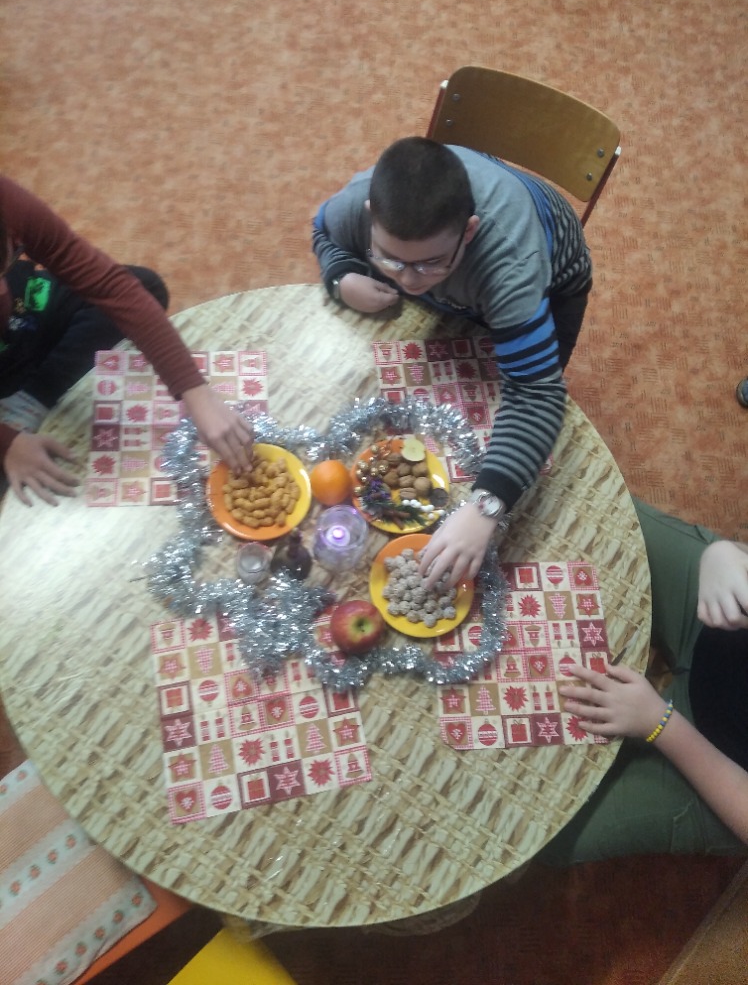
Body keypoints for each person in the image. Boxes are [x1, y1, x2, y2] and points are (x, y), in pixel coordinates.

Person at [312, 137, 592, 588]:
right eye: (390, 258)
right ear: (369, 215)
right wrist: (341, 275)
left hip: (552, 278)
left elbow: (537, 393)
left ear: (470, 231)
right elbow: (323, 231)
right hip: (470, 282)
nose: (407, 280)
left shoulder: (511, 267)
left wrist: (487, 506)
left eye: (429, 263)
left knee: (526, 386)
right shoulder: (358, 205)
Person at [0, 175, 253, 506]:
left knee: (142, 288)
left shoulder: (6, 200)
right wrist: (8, 442)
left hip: (22, 325)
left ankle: (31, 398)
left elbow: (108, 285)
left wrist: (195, 390)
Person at [540, 499, 748, 864]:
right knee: (592, 511)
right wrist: (725, 555)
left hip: (723, 759)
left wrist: (659, 723)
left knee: (551, 838)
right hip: (717, 627)